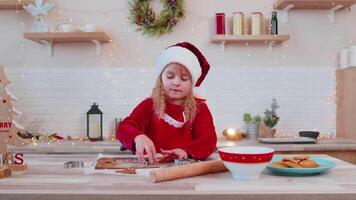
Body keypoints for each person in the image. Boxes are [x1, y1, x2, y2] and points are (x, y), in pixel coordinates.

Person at [117, 42, 217, 163]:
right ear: (161, 79)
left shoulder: (200, 109)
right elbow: (124, 128)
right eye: (170, 76)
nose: (176, 82)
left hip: (185, 171)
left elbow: (208, 141)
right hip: (150, 168)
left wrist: (185, 151)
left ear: (192, 83)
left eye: (184, 78)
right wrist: (137, 137)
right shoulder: (149, 105)